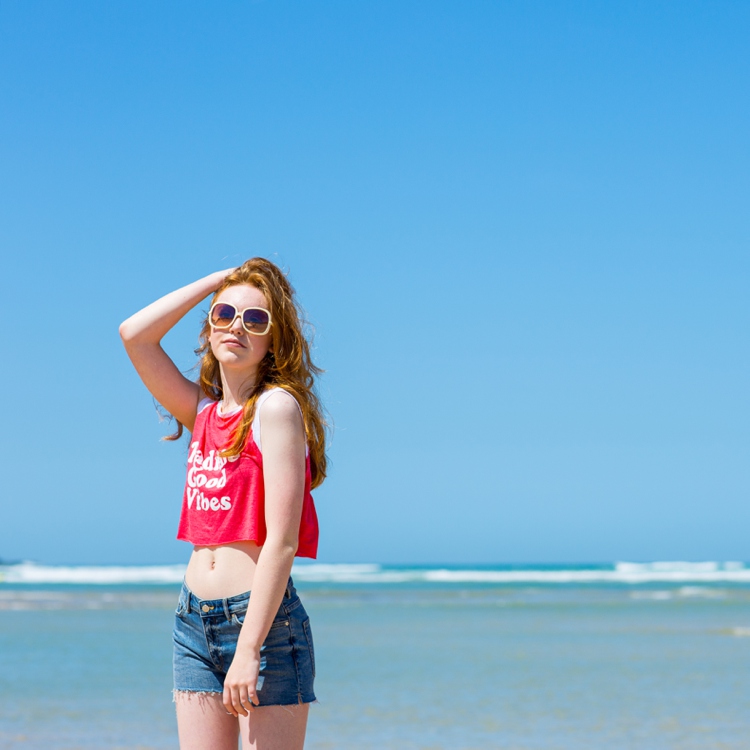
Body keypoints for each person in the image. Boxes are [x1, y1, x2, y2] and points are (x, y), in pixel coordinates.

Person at [119, 258, 325, 750]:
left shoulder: (276, 409)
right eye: (225, 314)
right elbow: (134, 335)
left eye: (255, 319)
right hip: (192, 620)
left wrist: (249, 648)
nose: (237, 325)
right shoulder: (203, 412)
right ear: (210, 327)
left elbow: (282, 540)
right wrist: (220, 282)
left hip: (262, 624)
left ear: (273, 340)